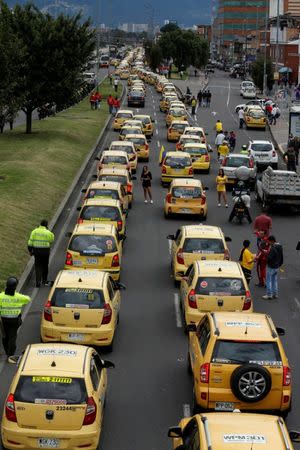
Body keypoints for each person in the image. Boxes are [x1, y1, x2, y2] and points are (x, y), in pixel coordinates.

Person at [0, 277, 31, 357]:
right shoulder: (18, 297)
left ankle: (7, 351)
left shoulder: (1, 296)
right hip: (14, 321)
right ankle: (10, 354)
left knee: (5, 336)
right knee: (12, 337)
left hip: (3, 321)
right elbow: (28, 299)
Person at [28, 220, 54, 288]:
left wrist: (30, 251)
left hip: (37, 252)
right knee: (45, 266)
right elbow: (51, 240)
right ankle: (44, 281)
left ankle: (38, 283)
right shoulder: (49, 233)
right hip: (45, 252)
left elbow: (30, 243)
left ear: (40, 224)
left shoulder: (34, 231)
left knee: (38, 266)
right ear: (46, 225)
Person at [262, 235, 283, 300]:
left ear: (272, 241)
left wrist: (266, 254)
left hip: (271, 266)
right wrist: (280, 264)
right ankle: (275, 294)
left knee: (268, 280)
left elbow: (270, 257)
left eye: (269, 241)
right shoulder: (280, 246)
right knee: (274, 280)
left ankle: (269, 294)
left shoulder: (273, 248)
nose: (268, 243)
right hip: (277, 266)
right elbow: (281, 256)